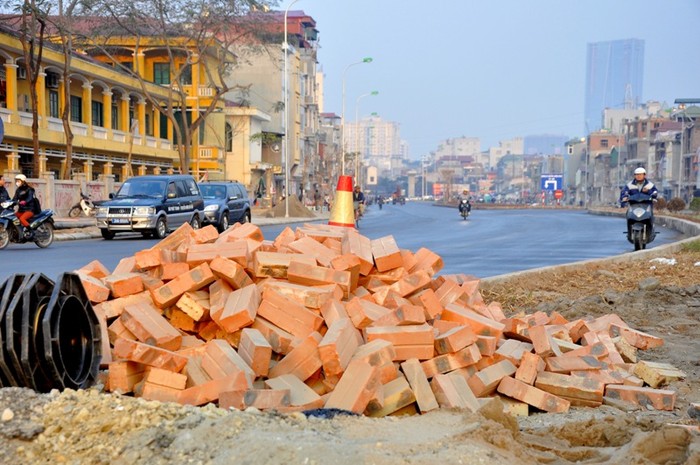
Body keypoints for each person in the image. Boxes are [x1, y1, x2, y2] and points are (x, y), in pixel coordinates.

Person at [12, 174, 36, 238]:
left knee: (22, 219)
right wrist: (11, 203)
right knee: (13, 218)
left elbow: (30, 198)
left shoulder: (29, 189)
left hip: (29, 209)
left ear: (22, 181)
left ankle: (31, 231)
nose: (17, 182)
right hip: (21, 210)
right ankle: (19, 231)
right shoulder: (18, 190)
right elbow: (14, 199)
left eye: (18, 181)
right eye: (16, 181)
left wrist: (25, 201)